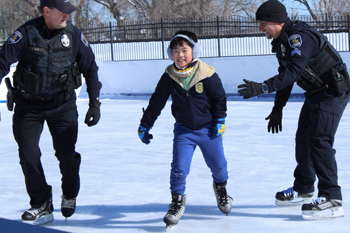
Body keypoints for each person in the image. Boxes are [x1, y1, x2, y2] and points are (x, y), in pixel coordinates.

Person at [237, 0, 350, 220]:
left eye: (263, 23)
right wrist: (278, 107)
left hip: (333, 92)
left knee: (320, 139)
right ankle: (304, 188)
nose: (260, 29)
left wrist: (263, 87)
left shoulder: (299, 37)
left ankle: (332, 198)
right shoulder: (282, 42)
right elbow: (286, 77)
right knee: (303, 139)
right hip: (317, 92)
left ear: (277, 21)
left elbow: (295, 72)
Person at [0, 0, 102, 225]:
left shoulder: (74, 35)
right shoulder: (26, 33)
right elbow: (1, 61)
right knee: (28, 154)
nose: (67, 16)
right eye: (62, 12)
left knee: (66, 155)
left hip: (62, 105)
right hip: (29, 106)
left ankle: (69, 193)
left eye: (68, 11)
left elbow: (91, 69)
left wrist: (94, 103)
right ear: (46, 10)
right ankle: (41, 203)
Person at [137, 30, 232, 228]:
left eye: (184, 50)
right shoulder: (169, 76)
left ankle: (221, 189)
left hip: (208, 129)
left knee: (219, 166)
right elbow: (157, 102)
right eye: (175, 51)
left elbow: (219, 98)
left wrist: (220, 120)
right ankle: (177, 201)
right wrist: (145, 124)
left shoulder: (207, 73)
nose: (180, 55)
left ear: (194, 51)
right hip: (184, 131)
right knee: (179, 168)